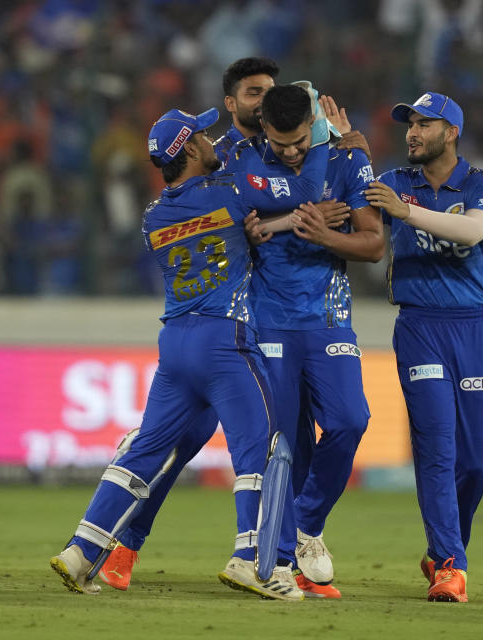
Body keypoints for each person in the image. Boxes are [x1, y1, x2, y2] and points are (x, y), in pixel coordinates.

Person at [50, 105, 330, 601]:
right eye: (202, 136)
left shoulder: (154, 215)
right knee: (260, 452)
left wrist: (272, 224)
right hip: (226, 340)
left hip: (176, 344)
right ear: (192, 149)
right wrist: (325, 140)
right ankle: (252, 563)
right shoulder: (232, 191)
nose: (211, 140)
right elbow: (306, 191)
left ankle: (81, 549)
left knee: (144, 452)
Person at [235, 84, 384, 598]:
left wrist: (326, 237)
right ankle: (280, 563)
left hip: (327, 320)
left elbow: (374, 244)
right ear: (264, 132)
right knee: (287, 442)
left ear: (312, 128)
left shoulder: (347, 159)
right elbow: (238, 229)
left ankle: (304, 526)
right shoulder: (246, 161)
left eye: (300, 141)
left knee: (349, 420)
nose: (292, 152)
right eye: (281, 144)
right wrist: (269, 227)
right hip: (269, 320)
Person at [362, 91, 483, 603]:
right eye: (409, 123)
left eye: (425, 123)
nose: (412, 132)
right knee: (436, 450)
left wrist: (406, 213)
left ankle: (446, 551)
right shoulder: (391, 184)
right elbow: (349, 219)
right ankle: (451, 564)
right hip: (420, 327)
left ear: (451, 133)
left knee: (471, 462)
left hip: (477, 329)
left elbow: (472, 231)